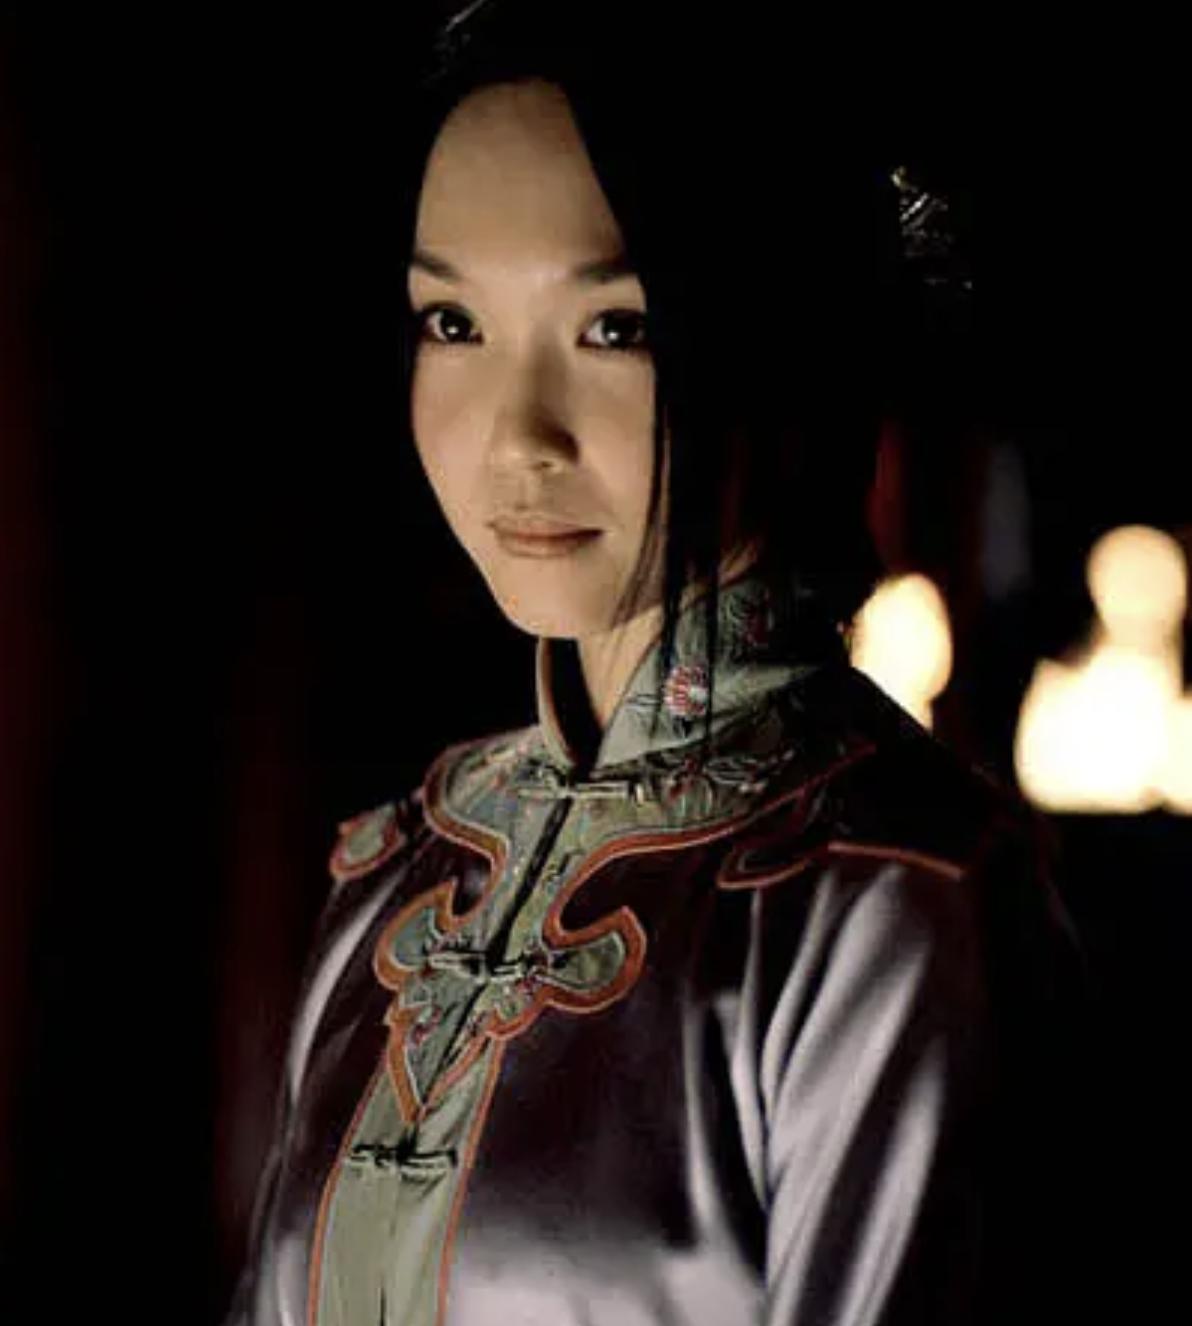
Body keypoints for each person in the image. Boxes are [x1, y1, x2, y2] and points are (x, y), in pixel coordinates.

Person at [221, 4, 1099, 1323]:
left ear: (780, 339)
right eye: (452, 322)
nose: (518, 436)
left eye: (614, 328)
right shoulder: (398, 873)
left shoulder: (889, 906)